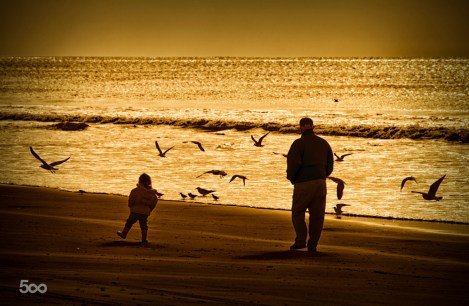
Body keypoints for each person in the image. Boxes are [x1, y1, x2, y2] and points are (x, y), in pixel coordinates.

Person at [286, 117, 334, 252]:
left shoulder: (298, 144)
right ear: (313, 127)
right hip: (320, 183)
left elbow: (294, 164)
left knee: (297, 212)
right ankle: (313, 244)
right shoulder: (324, 143)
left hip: (303, 183)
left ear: (300, 127)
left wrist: (292, 178)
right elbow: (330, 163)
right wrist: (323, 175)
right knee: (317, 215)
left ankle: (301, 240)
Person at [117, 173, 158, 246]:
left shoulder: (135, 191)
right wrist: (150, 209)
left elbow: (131, 200)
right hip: (145, 212)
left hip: (135, 211)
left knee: (129, 222)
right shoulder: (152, 193)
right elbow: (154, 202)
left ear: (139, 181)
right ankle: (144, 240)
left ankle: (124, 233)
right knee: (144, 225)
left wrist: (130, 206)